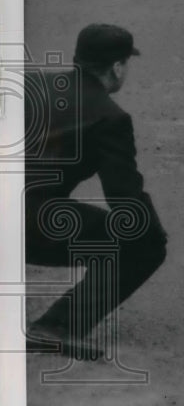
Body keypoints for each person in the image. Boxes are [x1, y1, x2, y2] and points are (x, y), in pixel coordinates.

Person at [24, 24, 168, 356]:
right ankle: (57, 326)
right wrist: (153, 233)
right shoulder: (110, 118)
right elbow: (124, 199)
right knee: (146, 245)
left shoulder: (32, 83)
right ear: (117, 68)